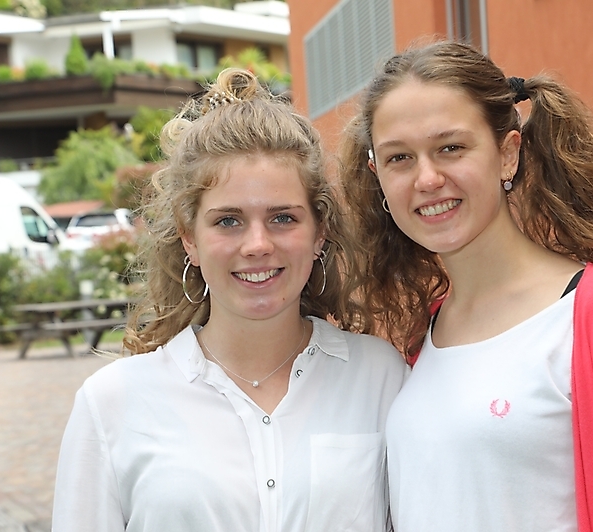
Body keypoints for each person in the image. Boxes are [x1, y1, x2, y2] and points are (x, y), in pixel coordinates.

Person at [339, 41, 593, 532]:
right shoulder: (426, 333)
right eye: (399, 157)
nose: (426, 178)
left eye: (451, 148)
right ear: (377, 175)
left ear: (508, 154)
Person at [52, 68, 407, 532]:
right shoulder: (112, 403)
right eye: (228, 221)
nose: (257, 244)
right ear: (189, 239)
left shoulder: (380, 378)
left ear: (319, 232)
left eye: (283, 218)